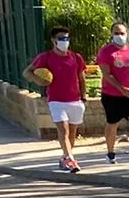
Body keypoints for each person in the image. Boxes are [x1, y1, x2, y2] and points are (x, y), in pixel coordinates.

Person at [26, 24, 89, 172]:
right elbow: (27, 72)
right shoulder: (45, 57)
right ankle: (70, 159)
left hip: (74, 99)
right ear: (53, 40)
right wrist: (38, 81)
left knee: (73, 132)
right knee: (63, 129)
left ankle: (65, 157)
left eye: (66, 38)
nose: (64, 41)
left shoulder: (76, 57)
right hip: (56, 100)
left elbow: (81, 77)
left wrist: (84, 95)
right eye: (61, 38)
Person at [95, 22, 129, 164]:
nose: (119, 36)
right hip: (112, 94)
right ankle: (110, 154)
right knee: (113, 123)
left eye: (122, 33)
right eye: (116, 33)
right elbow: (106, 74)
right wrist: (121, 88)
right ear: (112, 34)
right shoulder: (106, 52)